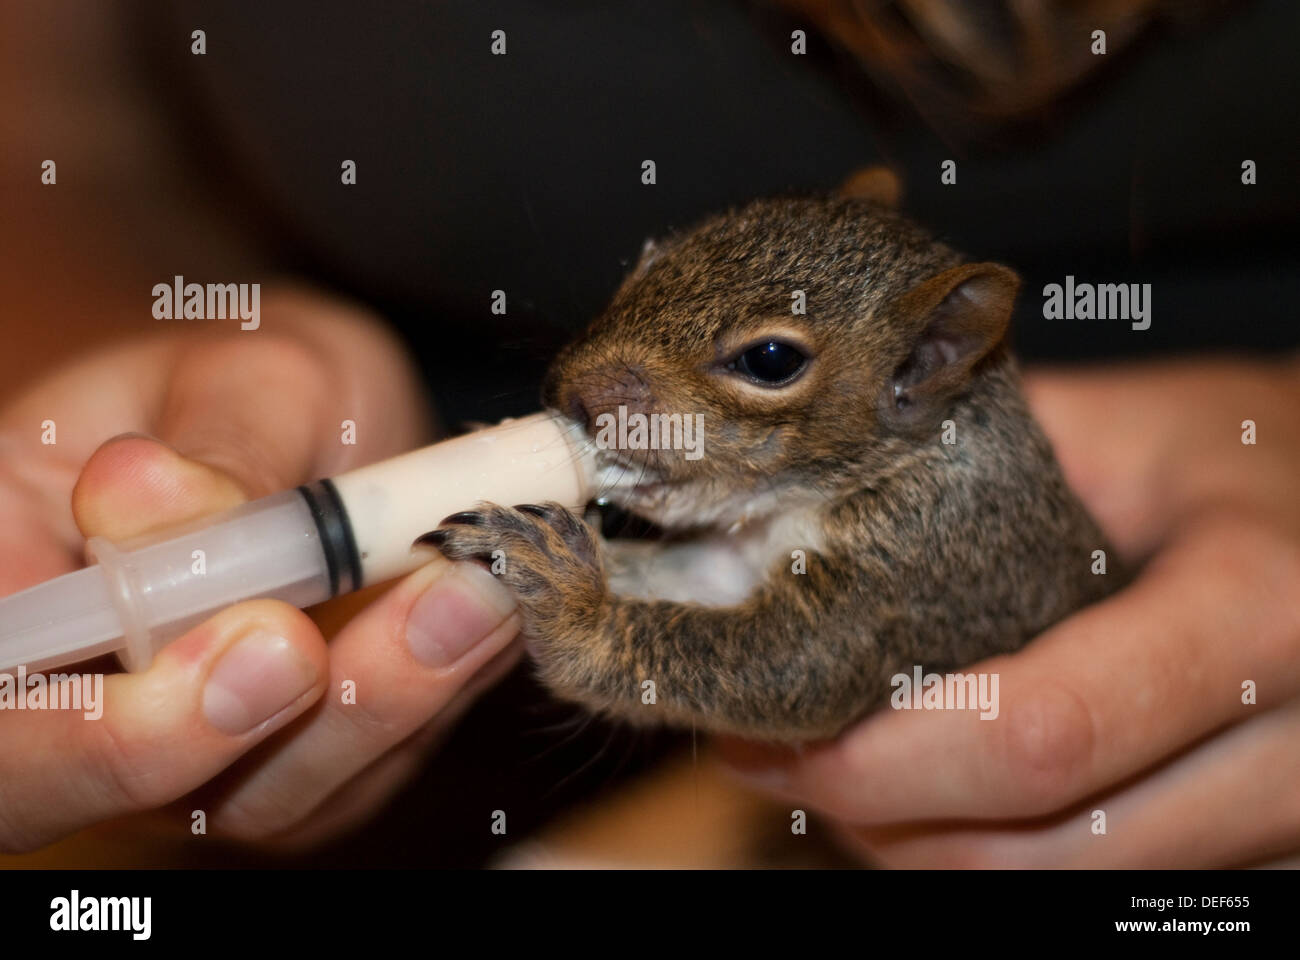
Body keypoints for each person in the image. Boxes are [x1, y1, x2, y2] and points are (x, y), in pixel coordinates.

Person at [1, 0, 1296, 866]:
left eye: (769, 369)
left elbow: (794, 673)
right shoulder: (775, 477)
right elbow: (61, 118)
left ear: (925, 373)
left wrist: (588, 616)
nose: (584, 392)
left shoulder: (922, 523)